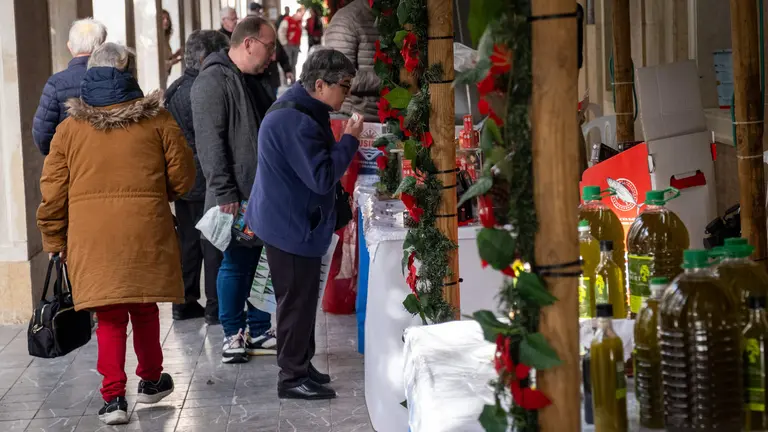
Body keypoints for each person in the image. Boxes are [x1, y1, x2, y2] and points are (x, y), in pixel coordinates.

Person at [36, 42, 195, 425]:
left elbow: (53, 190)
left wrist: (54, 239)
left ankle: (114, 399)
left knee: (108, 316)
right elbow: (184, 177)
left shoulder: (69, 129)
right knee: (144, 305)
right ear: (128, 74)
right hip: (146, 230)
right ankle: (152, 379)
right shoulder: (158, 120)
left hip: (91, 238)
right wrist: (156, 195)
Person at [246, 49, 363, 400]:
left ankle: (301, 362)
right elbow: (323, 176)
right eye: (344, 86)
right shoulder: (296, 120)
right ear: (320, 84)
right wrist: (350, 140)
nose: (347, 94)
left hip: (292, 220)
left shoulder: (305, 109)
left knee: (303, 299)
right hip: (289, 226)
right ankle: (291, 377)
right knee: (295, 302)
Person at [191, 17, 278, 364]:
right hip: (236, 195)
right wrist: (225, 192)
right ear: (249, 43)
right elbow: (209, 143)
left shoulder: (252, 78)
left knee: (262, 263)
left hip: (260, 190)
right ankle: (232, 333)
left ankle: (259, 329)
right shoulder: (213, 80)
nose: (273, 55)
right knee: (236, 261)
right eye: (269, 46)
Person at [165, 30, 230, 324]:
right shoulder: (205, 88)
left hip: (184, 177)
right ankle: (215, 305)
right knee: (213, 240)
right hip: (205, 176)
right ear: (207, 57)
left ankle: (185, 301)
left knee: (189, 241)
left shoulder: (176, 88)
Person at [32, 18, 107, 155]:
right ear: (102, 47)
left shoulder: (56, 83)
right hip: (107, 158)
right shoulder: (117, 78)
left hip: (70, 162)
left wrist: (61, 155)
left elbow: (42, 135)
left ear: (70, 46)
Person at [324, 0, 380, 121]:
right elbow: (337, 76)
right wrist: (389, 80)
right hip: (354, 118)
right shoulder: (346, 19)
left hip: (388, 118)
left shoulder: (392, 16)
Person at [278, 7, 304, 75]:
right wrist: (284, 43)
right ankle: (286, 79)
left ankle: (293, 79)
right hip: (288, 45)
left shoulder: (299, 22)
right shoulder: (287, 20)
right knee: (288, 63)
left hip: (296, 45)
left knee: (294, 63)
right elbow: (281, 32)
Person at [161, 9, 182, 86]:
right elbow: (157, 63)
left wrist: (176, 55)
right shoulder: (156, 41)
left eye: (167, 18)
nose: (166, 21)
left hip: (165, 76)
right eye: (163, 19)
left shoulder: (165, 38)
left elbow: (166, 57)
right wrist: (172, 62)